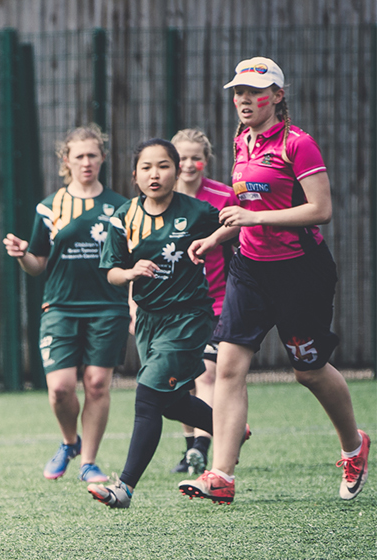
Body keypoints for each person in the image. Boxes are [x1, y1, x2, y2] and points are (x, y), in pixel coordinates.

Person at [180, 57, 369, 504]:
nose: (244, 99)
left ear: (277, 97)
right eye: (238, 92)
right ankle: (221, 475)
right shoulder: (241, 141)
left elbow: (320, 210)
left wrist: (251, 216)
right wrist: (216, 237)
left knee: (308, 371)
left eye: (254, 92)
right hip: (249, 267)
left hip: (300, 271)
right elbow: (247, 210)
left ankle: (354, 445)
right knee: (227, 365)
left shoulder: (298, 144)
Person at [87, 138, 223, 508]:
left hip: (189, 318)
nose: (155, 174)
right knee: (171, 401)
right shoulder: (123, 216)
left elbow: (236, 226)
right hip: (148, 320)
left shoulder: (199, 212)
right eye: (146, 167)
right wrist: (130, 272)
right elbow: (112, 272)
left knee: (147, 394)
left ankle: (124, 488)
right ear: (135, 176)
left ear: (177, 171)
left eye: (163, 166)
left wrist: (216, 240)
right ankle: (228, 428)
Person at [1, 125, 128, 483]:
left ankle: (89, 462)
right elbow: (38, 264)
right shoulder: (49, 207)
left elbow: (130, 262)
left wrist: (134, 305)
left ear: (102, 157)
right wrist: (22, 254)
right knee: (59, 388)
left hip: (108, 307)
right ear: (66, 161)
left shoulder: (121, 207)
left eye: (92, 155)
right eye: (79, 156)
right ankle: (69, 442)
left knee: (97, 384)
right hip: (59, 307)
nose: (86, 162)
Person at [166, 129, 234, 475]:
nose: (189, 164)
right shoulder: (161, 198)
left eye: (196, 157)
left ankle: (201, 447)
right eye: (182, 158)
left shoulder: (223, 196)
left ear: (205, 161)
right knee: (179, 379)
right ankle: (191, 446)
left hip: (217, 302)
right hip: (174, 305)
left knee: (206, 375)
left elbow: (242, 240)